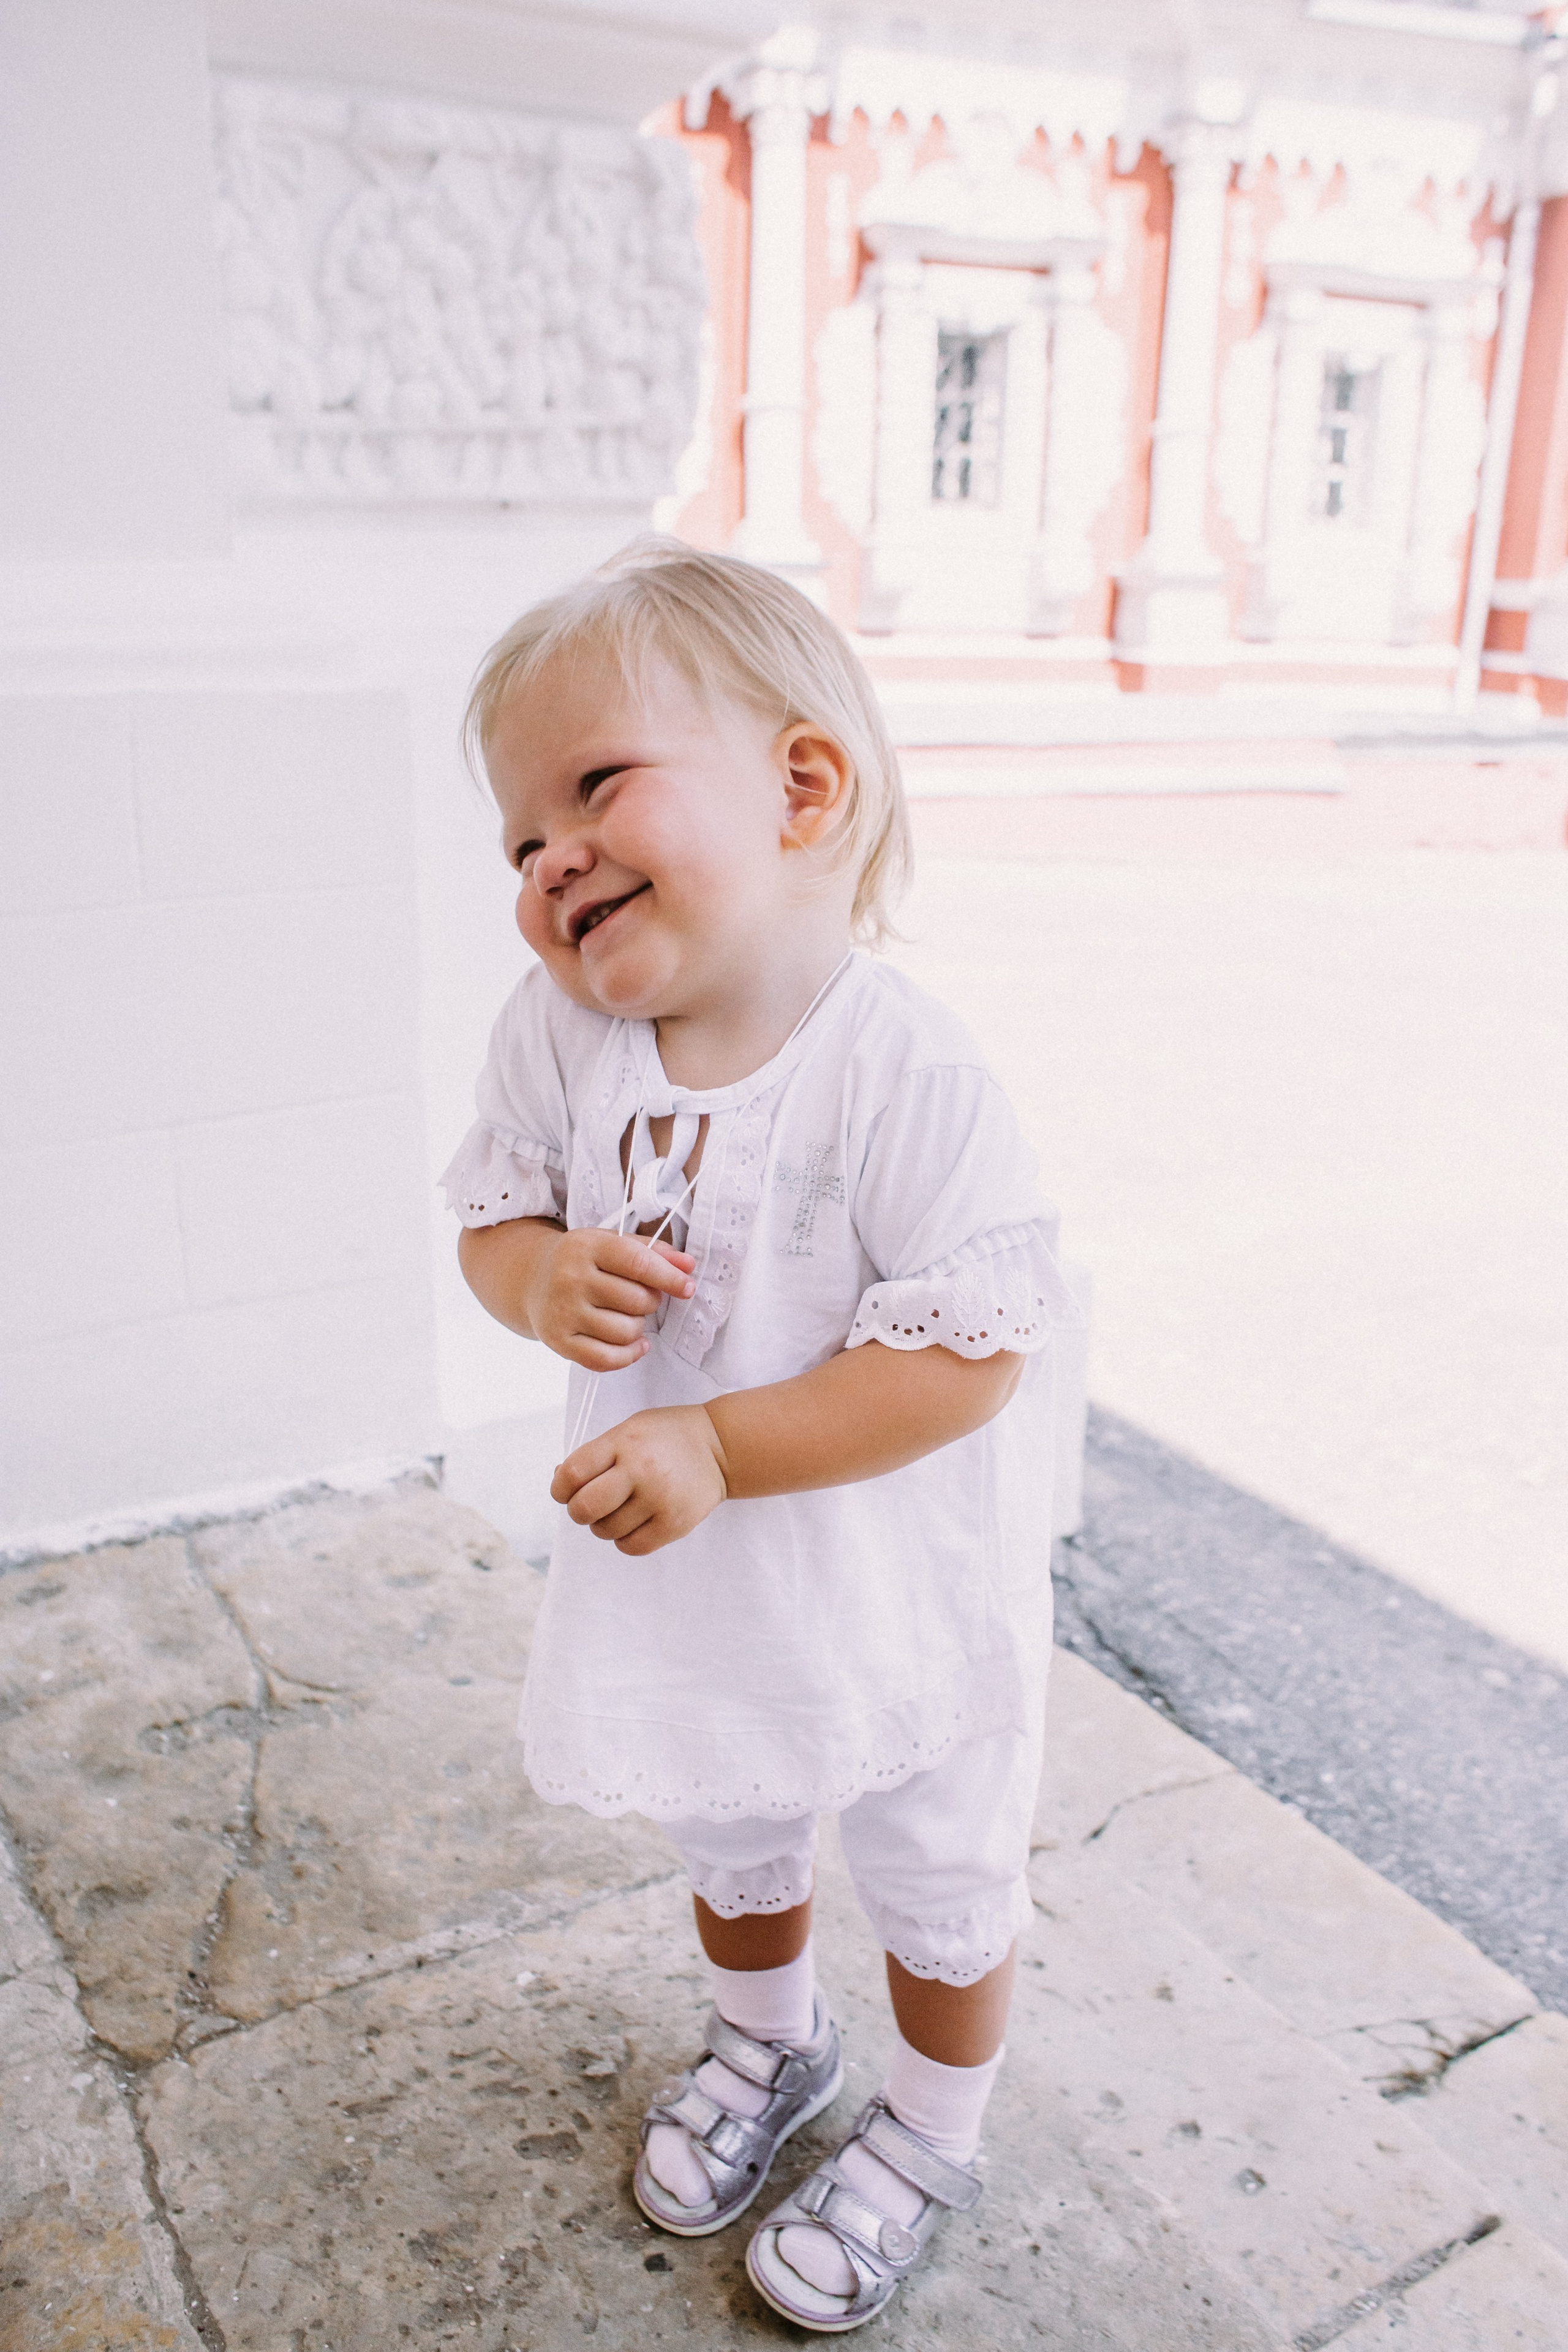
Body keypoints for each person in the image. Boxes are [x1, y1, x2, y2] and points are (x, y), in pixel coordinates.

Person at [442, 539, 1080, 2331]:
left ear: (803, 785)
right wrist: (538, 1278)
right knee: (733, 1821)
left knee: (937, 1869)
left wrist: (722, 1442)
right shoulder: (563, 1039)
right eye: (515, 839)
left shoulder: (904, 1074)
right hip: (699, 1585)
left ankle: (937, 2123)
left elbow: (971, 1355)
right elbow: (493, 1224)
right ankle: (768, 2041)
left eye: (593, 786)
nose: (548, 855)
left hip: (890, 1591)